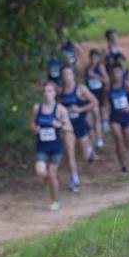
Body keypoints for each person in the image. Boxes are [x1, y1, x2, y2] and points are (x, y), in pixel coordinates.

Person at [32, 79, 72, 211]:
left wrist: (59, 125)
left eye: (49, 91)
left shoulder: (60, 110)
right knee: (40, 171)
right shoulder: (37, 108)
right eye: (44, 91)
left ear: (55, 93)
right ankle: (49, 180)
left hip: (55, 146)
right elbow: (32, 123)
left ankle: (54, 201)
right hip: (42, 146)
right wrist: (34, 128)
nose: (46, 94)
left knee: (52, 173)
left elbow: (69, 128)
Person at [59, 64, 96, 191]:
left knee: (85, 156)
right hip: (68, 126)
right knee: (69, 152)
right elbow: (58, 107)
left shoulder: (81, 89)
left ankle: (89, 149)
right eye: (64, 74)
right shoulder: (61, 91)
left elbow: (94, 102)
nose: (67, 77)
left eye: (69, 74)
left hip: (80, 123)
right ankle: (74, 180)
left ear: (73, 75)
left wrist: (80, 109)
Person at [105, 63, 129, 173]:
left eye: (118, 72)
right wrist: (104, 116)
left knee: (128, 143)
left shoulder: (127, 85)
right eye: (114, 73)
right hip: (115, 116)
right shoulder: (108, 88)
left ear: (122, 73)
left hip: (126, 115)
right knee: (118, 138)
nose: (116, 75)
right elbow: (105, 103)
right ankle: (123, 165)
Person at [85, 49, 108, 150]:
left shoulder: (100, 67)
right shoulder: (87, 68)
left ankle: (99, 139)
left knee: (97, 115)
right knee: (90, 119)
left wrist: (94, 75)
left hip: (99, 92)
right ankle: (92, 140)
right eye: (92, 57)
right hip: (90, 94)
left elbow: (106, 80)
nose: (94, 59)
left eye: (96, 57)